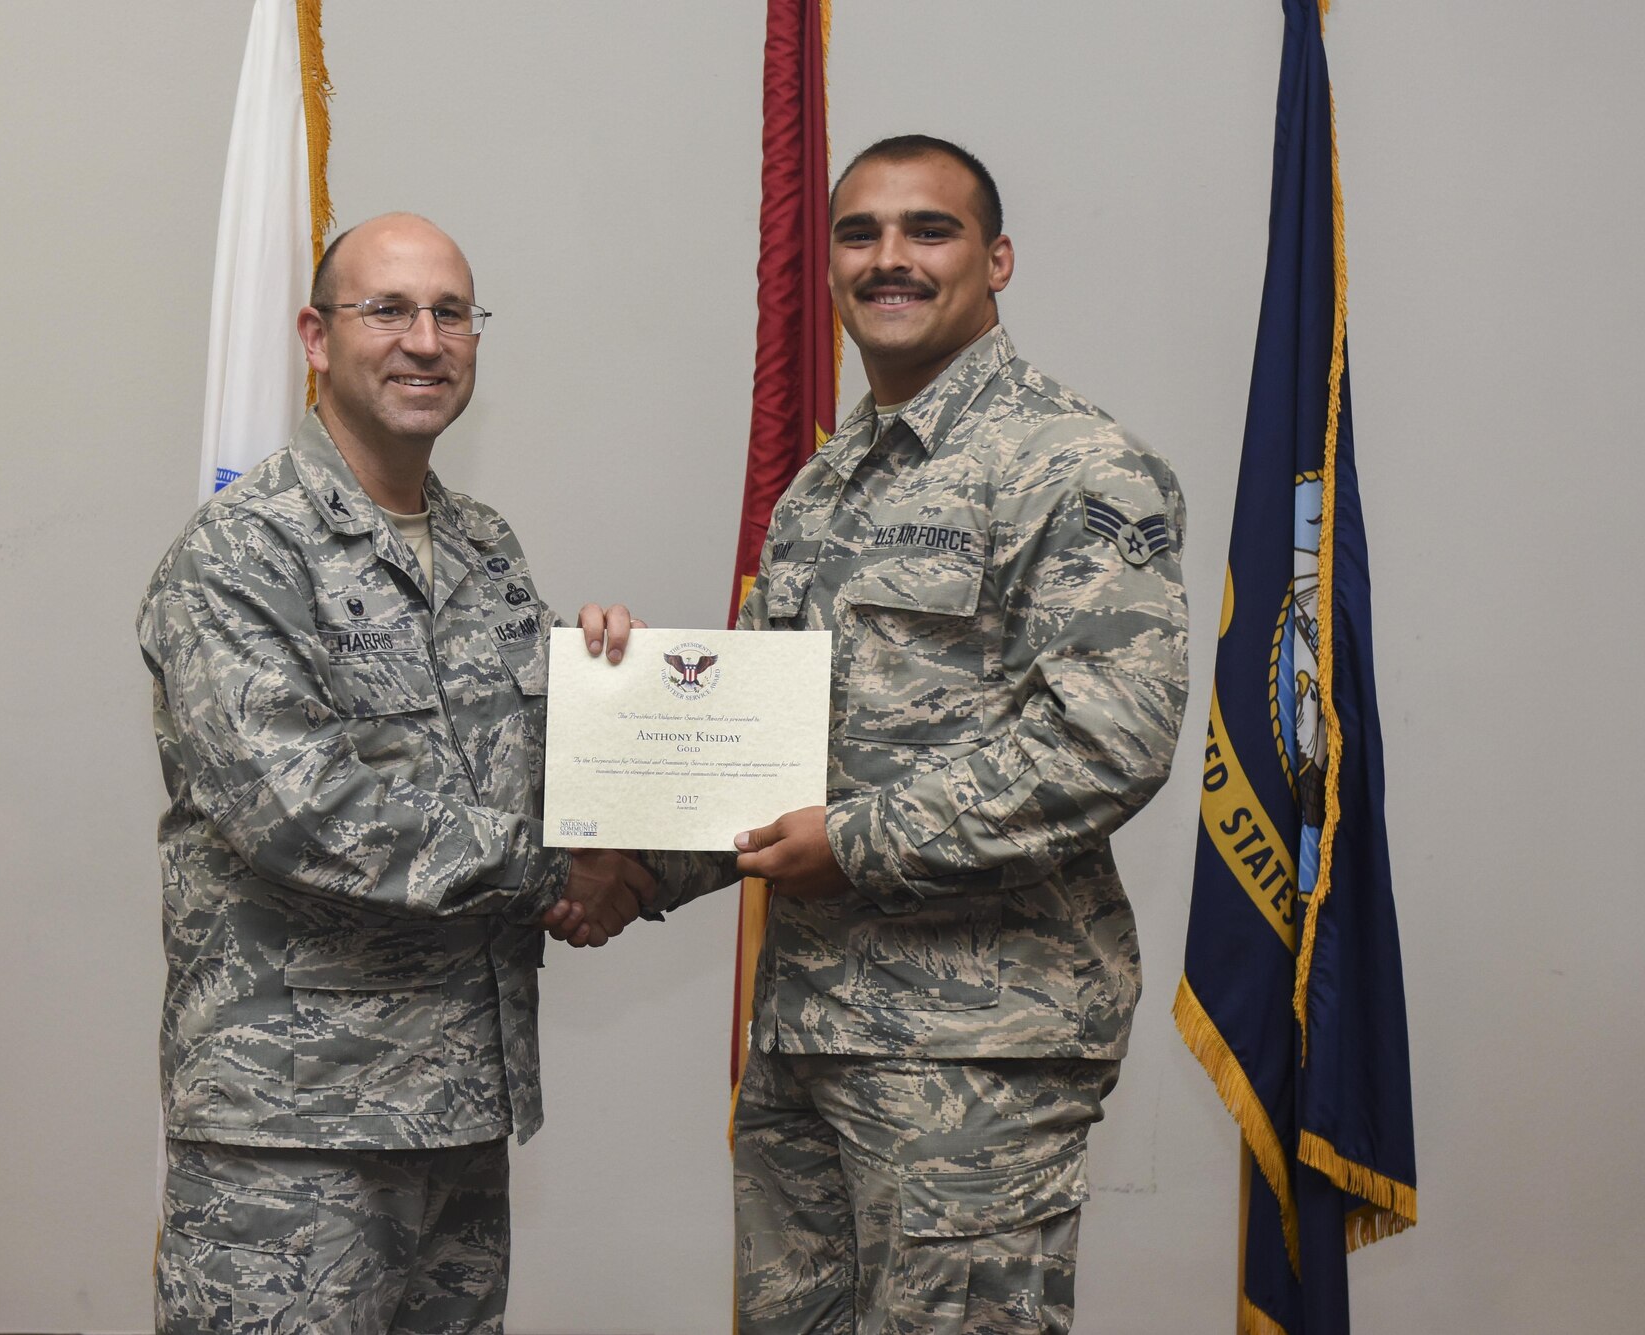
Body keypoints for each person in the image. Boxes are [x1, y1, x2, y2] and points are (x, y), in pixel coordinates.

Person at [584, 135, 1191, 1333]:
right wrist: (635, 864)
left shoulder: (1073, 467)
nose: (888, 260)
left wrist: (853, 844)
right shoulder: (827, 485)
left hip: (975, 1055)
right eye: (859, 234)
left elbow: (1105, 743)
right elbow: (770, 756)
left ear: (995, 258)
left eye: (929, 230)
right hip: (810, 1032)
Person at [139, 212, 651, 1334]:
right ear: (316, 338)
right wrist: (560, 865)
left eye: (450, 312)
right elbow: (299, 809)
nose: (425, 340)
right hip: (295, 1134)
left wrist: (626, 693)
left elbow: (536, 769)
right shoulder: (242, 552)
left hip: (460, 1111)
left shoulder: (484, 549)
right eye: (389, 310)